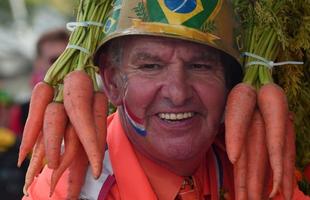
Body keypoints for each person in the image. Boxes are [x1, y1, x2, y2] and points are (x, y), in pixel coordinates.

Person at [22, 0, 309, 199]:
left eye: (200, 66)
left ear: (229, 85)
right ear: (112, 83)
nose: (178, 92)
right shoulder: (65, 191)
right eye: (150, 66)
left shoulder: (264, 175)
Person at [19, 28, 69, 129]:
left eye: (67, 59)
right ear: (39, 63)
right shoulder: (22, 112)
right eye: (54, 60)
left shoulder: (94, 103)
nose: (62, 65)